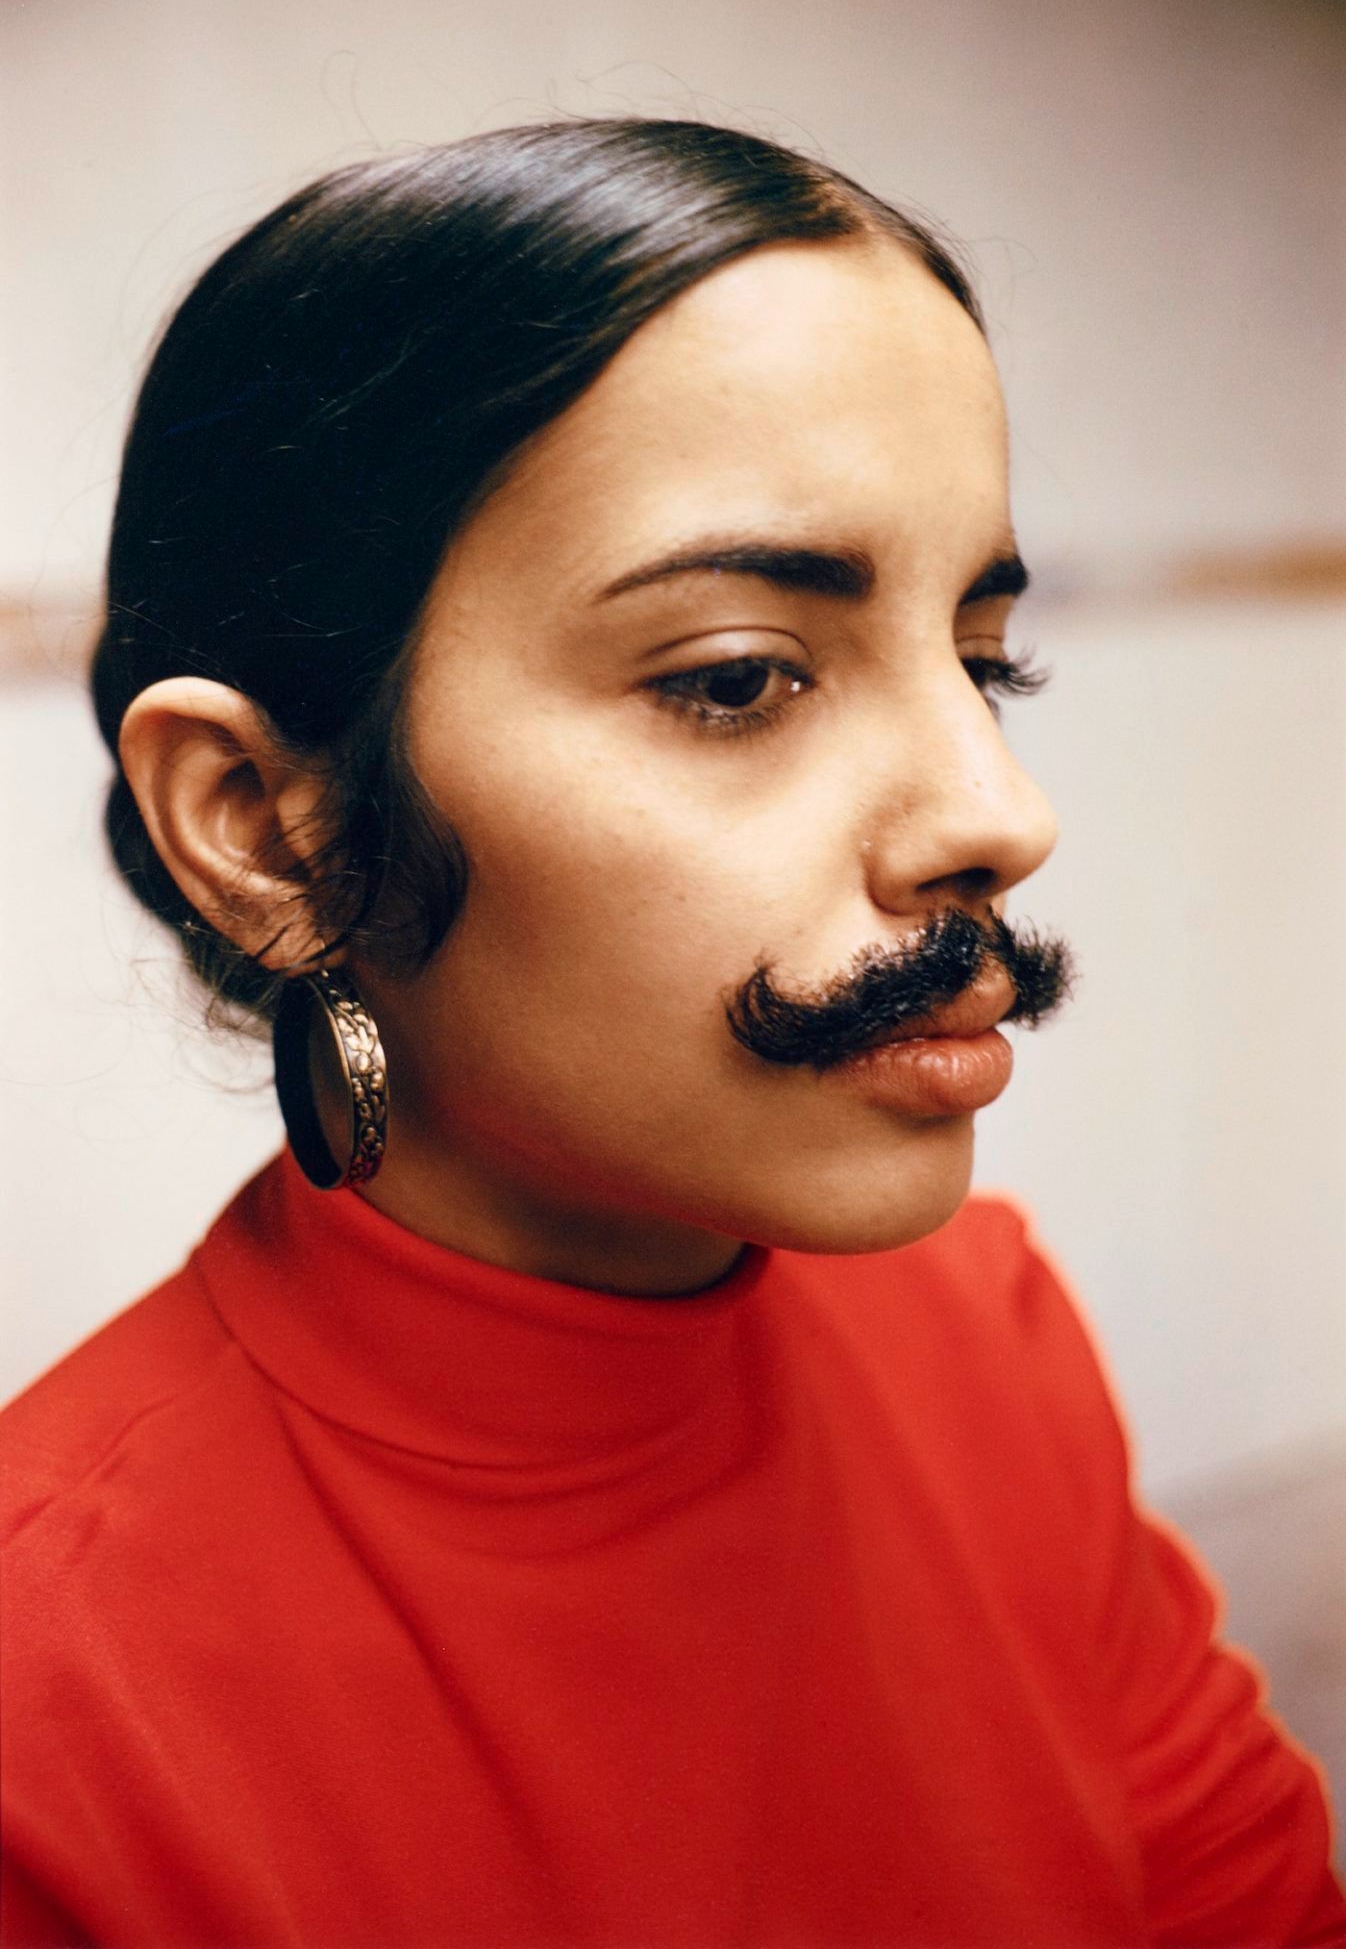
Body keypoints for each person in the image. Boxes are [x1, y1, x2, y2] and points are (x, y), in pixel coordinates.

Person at [1, 118, 1341, 1947]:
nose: (997, 810)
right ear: (261, 821)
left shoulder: (986, 1324)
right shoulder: (51, 1710)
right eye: (736, 680)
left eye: (983, 655)